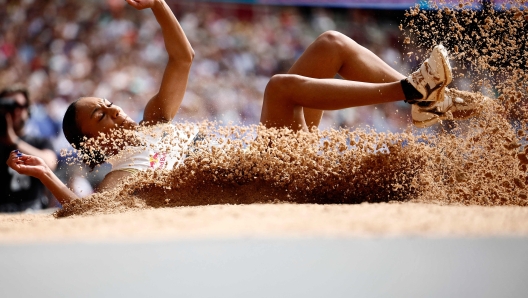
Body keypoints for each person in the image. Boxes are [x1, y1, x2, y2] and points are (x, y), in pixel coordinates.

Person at [6, 0, 480, 207]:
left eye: (108, 102)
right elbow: (87, 212)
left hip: (278, 153)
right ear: (95, 140)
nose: (114, 110)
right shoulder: (121, 175)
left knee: (330, 42)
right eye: (101, 115)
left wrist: (157, 5)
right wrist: (47, 174)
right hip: (267, 175)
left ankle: (423, 103)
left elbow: (183, 56)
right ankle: (408, 92)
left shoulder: (156, 118)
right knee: (278, 87)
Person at [0, 84, 58, 212]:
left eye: (19, 106)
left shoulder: (39, 142)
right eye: (7, 106)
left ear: (29, 110)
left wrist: (14, 140)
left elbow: (50, 163)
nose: (14, 111)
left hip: (32, 212)